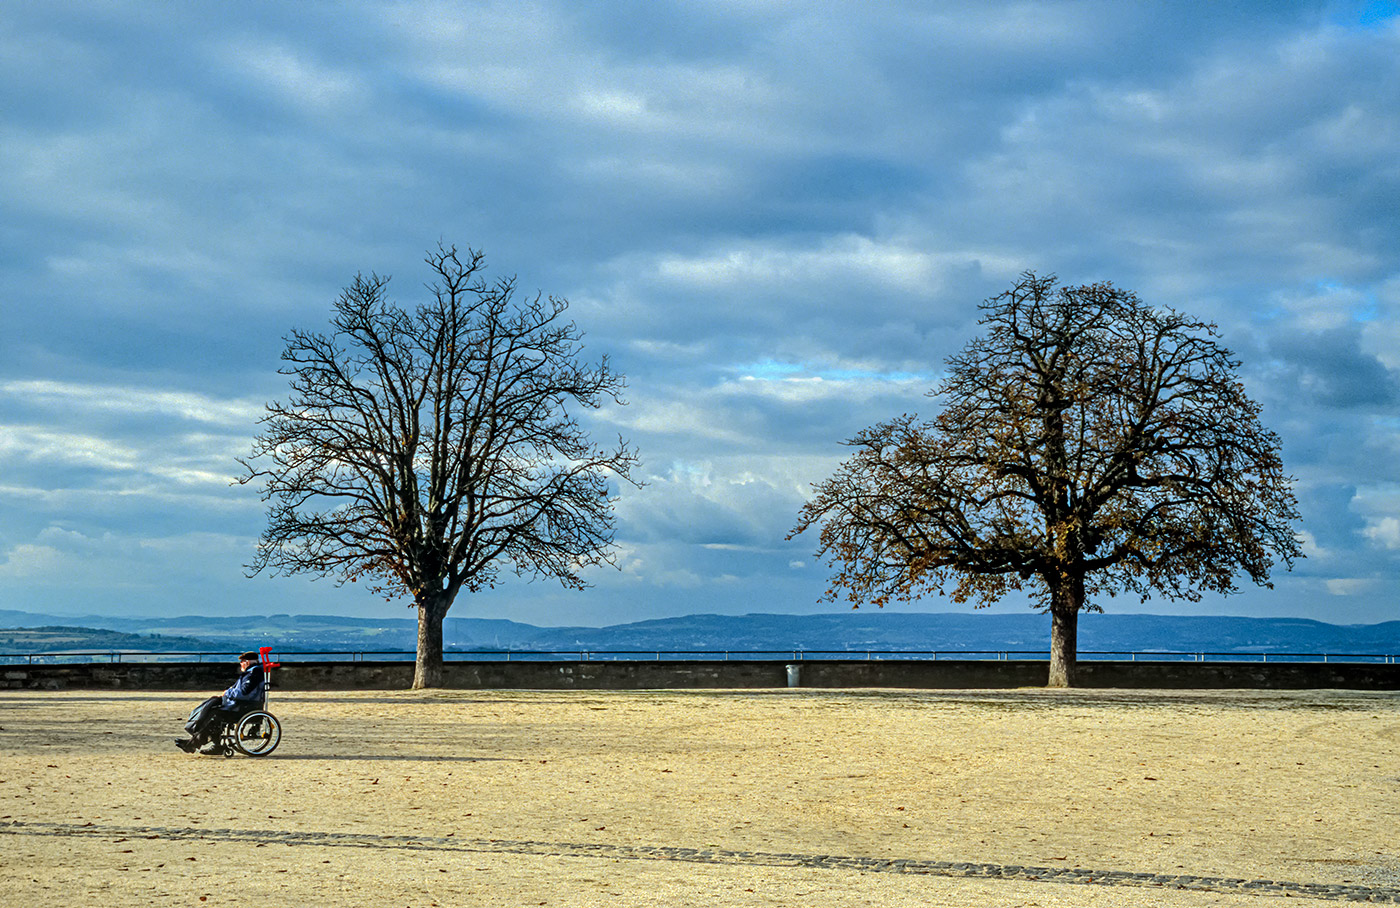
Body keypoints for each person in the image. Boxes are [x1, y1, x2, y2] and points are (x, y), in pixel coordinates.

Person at [176, 651, 265, 754]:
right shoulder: (252, 672)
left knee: (215, 714)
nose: (241, 664)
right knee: (212, 707)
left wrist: (228, 692)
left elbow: (244, 692)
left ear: (247, 662)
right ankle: (199, 741)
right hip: (241, 705)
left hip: (243, 707)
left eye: (242, 662)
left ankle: (197, 743)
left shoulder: (253, 674)